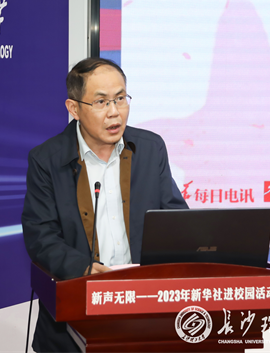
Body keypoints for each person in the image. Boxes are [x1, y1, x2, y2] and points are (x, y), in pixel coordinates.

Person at [21, 57, 188, 352]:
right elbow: (41, 236)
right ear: (74, 108)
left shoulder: (150, 148)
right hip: (75, 317)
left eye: (120, 98)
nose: (114, 112)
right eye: (101, 102)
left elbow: (175, 219)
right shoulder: (47, 159)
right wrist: (84, 269)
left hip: (143, 310)